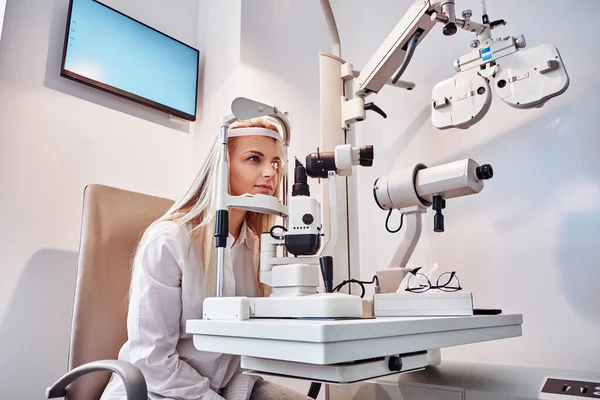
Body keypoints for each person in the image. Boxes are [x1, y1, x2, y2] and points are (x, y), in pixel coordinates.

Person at [100, 118, 311, 400]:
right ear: (221, 167)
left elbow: (242, 355)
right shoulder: (170, 241)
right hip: (158, 390)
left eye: (275, 163)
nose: (269, 173)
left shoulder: (258, 248)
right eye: (254, 159)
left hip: (223, 389)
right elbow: (150, 361)